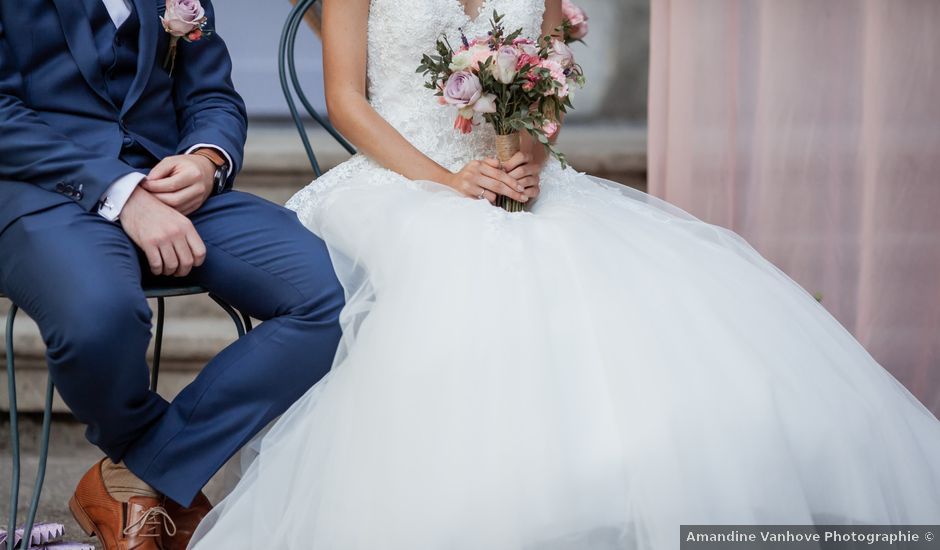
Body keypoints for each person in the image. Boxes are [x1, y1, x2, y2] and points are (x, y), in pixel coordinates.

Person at [191, 0, 940, 548]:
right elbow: (347, 104)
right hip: (401, 179)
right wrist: (446, 184)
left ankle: (616, 491)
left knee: (618, 279)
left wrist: (528, 158)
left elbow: (540, 95)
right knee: (459, 277)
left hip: (516, 178)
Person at [0, 1, 344, 549]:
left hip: (172, 185)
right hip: (46, 193)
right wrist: (121, 191)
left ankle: (134, 477)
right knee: (99, 316)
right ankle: (153, 475)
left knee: (337, 296)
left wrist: (206, 158)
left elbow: (211, 93)